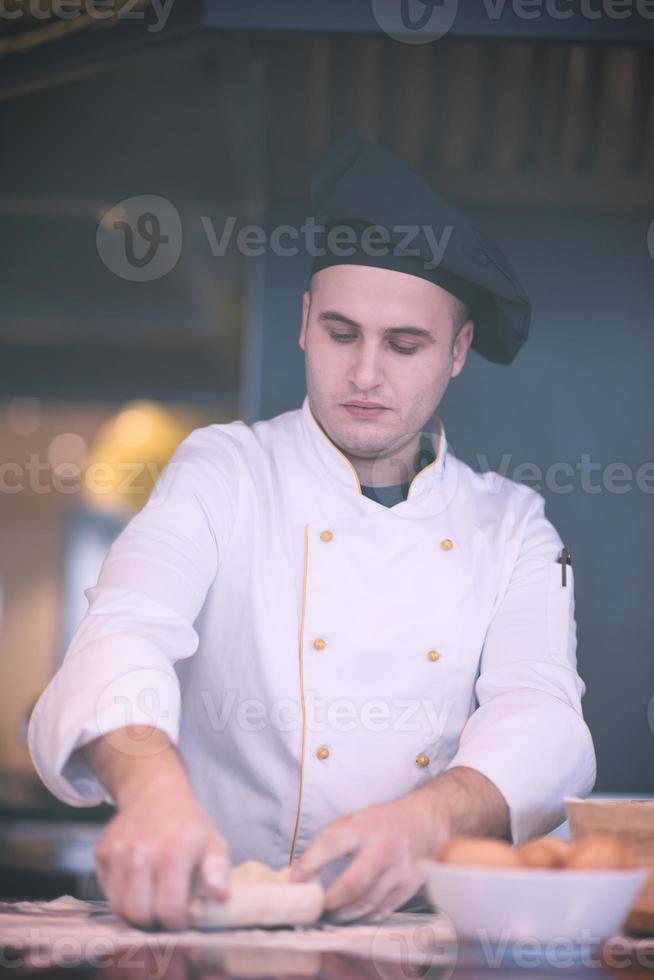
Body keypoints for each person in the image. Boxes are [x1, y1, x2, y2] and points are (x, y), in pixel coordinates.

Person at [28, 135, 596, 930]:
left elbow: (543, 713)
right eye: (340, 333)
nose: (365, 374)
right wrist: (154, 790)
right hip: (203, 924)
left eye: (404, 345)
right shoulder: (223, 470)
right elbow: (123, 633)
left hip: (415, 939)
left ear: (460, 350)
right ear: (302, 324)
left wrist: (429, 818)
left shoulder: (514, 526)